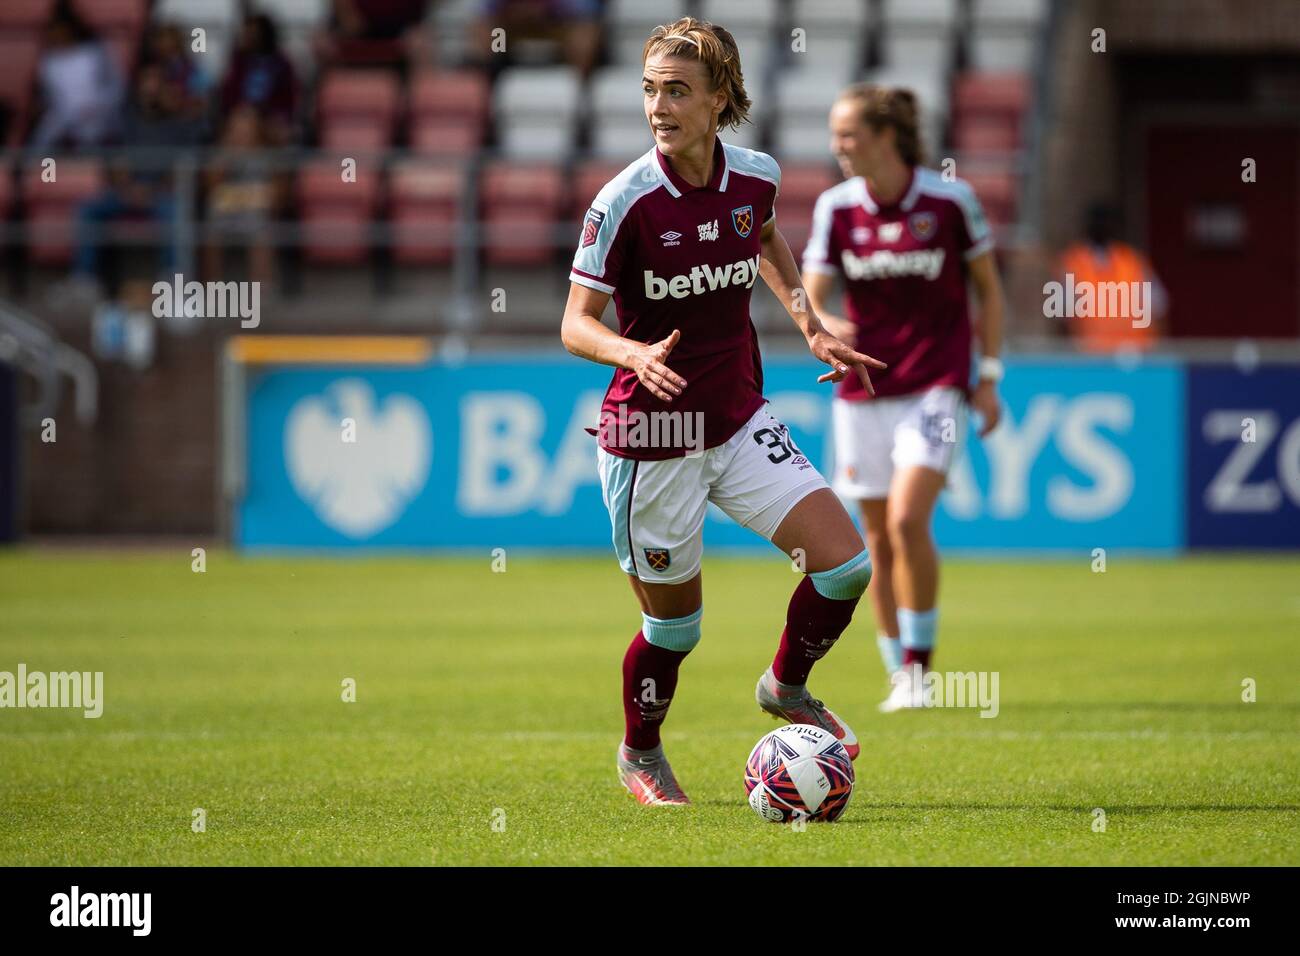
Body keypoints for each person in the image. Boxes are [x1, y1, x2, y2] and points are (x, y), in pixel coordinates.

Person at [560, 17, 884, 806]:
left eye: (677, 91)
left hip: (737, 418)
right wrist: (630, 353)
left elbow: (766, 239)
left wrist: (809, 321)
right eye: (649, 90)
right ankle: (640, 752)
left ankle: (786, 686)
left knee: (846, 564)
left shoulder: (755, 178)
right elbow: (575, 323)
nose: (658, 106)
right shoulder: (623, 202)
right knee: (676, 632)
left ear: (720, 100)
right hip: (652, 438)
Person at [801, 85, 1006, 712]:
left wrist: (989, 375)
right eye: (835, 135)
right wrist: (830, 321)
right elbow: (811, 292)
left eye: (848, 134)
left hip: (937, 387)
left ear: (887, 136)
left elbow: (988, 293)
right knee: (876, 541)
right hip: (862, 391)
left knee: (908, 519)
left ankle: (921, 668)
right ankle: (900, 673)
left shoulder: (949, 201)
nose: (837, 146)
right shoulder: (836, 208)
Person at [1057, 202, 1167, 353]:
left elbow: (1157, 308)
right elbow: (1063, 318)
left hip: (1135, 354)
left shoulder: (1131, 261)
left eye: (1107, 221)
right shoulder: (1074, 263)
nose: (1103, 226)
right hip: (1091, 357)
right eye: (1098, 221)